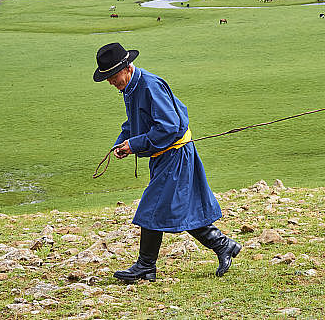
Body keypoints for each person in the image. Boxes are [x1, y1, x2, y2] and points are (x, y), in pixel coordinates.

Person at [93, 42, 240, 282]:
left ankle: (146, 266)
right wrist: (123, 142)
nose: (110, 81)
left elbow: (169, 126)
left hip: (175, 153)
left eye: (112, 75)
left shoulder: (150, 85)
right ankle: (223, 245)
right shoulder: (130, 89)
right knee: (178, 207)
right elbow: (134, 123)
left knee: (152, 207)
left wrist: (136, 144)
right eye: (107, 77)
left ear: (127, 67)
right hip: (163, 156)